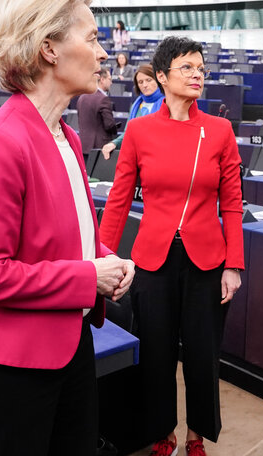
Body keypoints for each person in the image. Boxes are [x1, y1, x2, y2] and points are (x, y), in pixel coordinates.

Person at [0, 0, 135, 455]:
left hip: (68, 347)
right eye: (92, 38)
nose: (102, 53)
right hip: (10, 368)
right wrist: (87, 277)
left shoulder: (66, 135)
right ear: (49, 48)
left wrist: (106, 260)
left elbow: (68, 239)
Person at [99, 36, 244, 456]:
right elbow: (119, 201)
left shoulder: (219, 130)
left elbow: (232, 204)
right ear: (162, 76)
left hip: (206, 262)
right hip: (153, 260)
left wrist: (233, 264)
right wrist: (103, 259)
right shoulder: (140, 130)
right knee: (157, 356)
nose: (197, 74)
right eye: (187, 67)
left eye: (201, 67)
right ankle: (162, 433)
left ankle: (198, 435)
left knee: (203, 356)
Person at [101, 64, 164, 160]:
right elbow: (128, 133)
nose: (145, 85)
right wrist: (114, 143)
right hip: (137, 156)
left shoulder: (168, 102)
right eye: (140, 82)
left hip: (159, 157)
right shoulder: (137, 105)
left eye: (149, 80)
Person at [76, 66, 118, 159]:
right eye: (109, 79)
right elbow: (109, 125)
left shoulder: (82, 97)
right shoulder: (103, 99)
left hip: (83, 146)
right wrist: (116, 129)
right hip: (99, 148)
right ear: (102, 79)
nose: (111, 83)